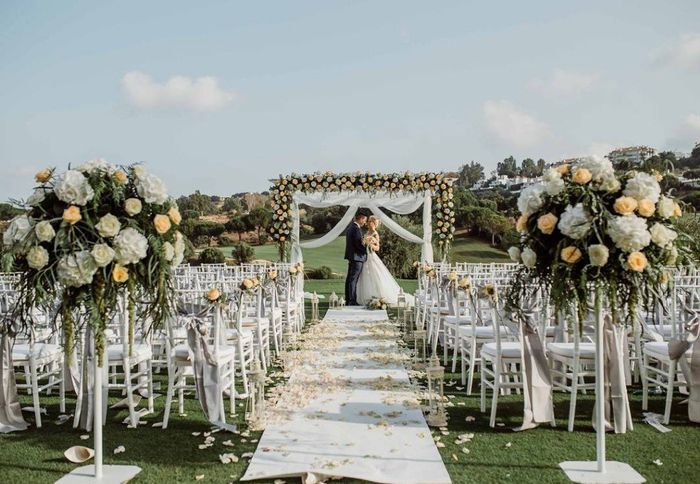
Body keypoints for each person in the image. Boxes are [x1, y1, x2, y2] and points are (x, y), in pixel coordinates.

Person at [356, 216, 415, 306]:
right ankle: (364, 296)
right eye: (369, 221)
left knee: (375, 275)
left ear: (374, 224)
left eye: (371, 222)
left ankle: (377, 295)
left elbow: (377, 248)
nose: (368, 223)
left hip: (371, 256)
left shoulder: (375, 234)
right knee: (365, 275)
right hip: (365, 256)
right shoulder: (367, 232)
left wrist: (370, 245)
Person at [344, 213, 367, 306]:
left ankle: (348, 299)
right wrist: (367, 250)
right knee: (353, 279)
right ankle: (352, 301)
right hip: (357, 257)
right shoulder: (356, 229)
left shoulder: (350, 227)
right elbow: (358, 244)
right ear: (360, 219)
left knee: (350, 279)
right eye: (364, 220)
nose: (365, 222)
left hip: (352, 257)